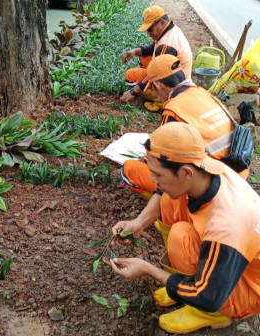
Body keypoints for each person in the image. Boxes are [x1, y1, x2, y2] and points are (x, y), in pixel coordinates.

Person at [109, 122, 260, 334]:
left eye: (158, 175)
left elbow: (209, 296)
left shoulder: (226, 226)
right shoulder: (203, 168)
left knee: (180, 237)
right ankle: (184, 284)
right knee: (170, 201)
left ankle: (213, 313)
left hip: (246, 288)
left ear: (186, 172)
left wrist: (149, 269)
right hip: (234, 256)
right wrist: (139, 222)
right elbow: (162, 192)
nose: (153, 180)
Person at [122, 54, 250, 202]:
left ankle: (172, 211)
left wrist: (147, 160)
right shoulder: (203, 93)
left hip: (214, 189)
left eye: (153, 90)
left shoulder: (173, 110)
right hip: (240, 175)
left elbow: (165, 162)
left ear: (157, 86)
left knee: (129, 170)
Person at [120, 5, 192, 112]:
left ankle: (161, 101)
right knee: (143, 58)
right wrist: (135, 51)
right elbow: (153, 46)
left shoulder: (166, 45)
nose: (148, 33)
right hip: (178, 75)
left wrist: (132, 92)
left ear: (162, 22)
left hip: (175, 87)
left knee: (130, 76)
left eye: (150, 29)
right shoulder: (170, 30)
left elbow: (154, 73)